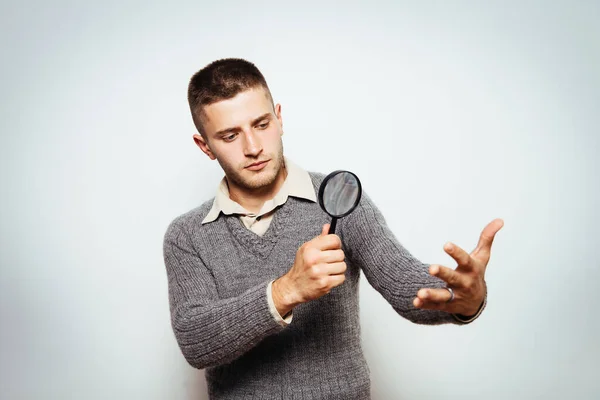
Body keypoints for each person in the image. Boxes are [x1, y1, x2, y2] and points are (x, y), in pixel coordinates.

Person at [162, 58, 504, 399]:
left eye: (261, 124)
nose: (253, 148)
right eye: (230, 135)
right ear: (205, 145)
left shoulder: (339, 198)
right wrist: (285, 291)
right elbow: (196, 340)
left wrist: (463, 299)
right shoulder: (186, 236)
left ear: (279, 119)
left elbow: (405, 286)